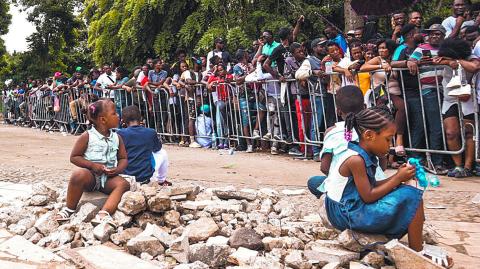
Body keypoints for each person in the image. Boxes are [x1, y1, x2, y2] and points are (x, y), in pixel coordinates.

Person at [323, 106, 426, 251]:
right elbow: (368, 196)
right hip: (346, 213)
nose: (390, 145)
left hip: (349, 208)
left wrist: (399, 180)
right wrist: (396, 178)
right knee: (412, 196)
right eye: (388, 139)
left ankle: (409, 238)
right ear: (369, 135)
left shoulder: (365, 154)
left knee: (405, 189)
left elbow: (371, 185)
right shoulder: (355, 160)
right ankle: (418, 251)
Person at [55, 99, 130, 227]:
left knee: (123, 184)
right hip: (91, 177)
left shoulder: (117, 138)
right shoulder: (87, 136)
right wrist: (92, 166)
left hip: (108, 179)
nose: (118, 116)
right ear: (103, 120)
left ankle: (104, 213)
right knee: (78, 175)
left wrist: (117, 170)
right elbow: (74, 157)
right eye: (114, 113)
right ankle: (69, 209)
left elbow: (123, 159)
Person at [307, 85, 379, 198]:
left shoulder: (332, 132)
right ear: (365, 107)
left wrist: (337, 177)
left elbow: (324, 168)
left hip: (347, 187)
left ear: (338, 111)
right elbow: (381, 164)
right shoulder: (372, 130)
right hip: (373, 181)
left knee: (313, 182)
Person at [434, 38, 480, 177]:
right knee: (451, 132)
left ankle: (467, 166)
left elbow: (474, 67)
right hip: (450, 99)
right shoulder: (442, 57)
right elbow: (431, 61)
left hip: (467, 99)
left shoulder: (470, 58)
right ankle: (458, 166)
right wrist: (447, 61)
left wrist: (457, 61)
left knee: (469, 132)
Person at [408, 24, 449, 175]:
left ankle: (439, 160)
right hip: (429, 90)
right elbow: (411, 60)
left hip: (447, 90)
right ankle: (436, 162)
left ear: (443, 36)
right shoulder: (421, 49)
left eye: (438, 34)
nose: (434, 36)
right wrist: (412, 62)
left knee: (443, 127)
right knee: (435, 126)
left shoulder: (446, 48)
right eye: (431, 33)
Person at [361, 39, 407, 167]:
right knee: (383, 124)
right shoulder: (378, 59)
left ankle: (395, 150)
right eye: (380, 48)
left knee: (395, 118)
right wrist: (381, 66)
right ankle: (384, 157)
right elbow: (363, 67)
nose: (381, 50)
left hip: (395, 92)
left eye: (384, 48)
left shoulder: (395, 59)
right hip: (381, 94)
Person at [117, 105, 171, 186]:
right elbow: (157, 148)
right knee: (162, 152)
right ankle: (161, 180)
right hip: (145, 176)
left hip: (126, 175)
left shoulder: (120, 133)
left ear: (123, 120)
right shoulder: (151, 132)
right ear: (140, 118)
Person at [207, 63, 234, 149]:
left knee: (226, 122)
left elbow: (228, 80)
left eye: (221, 70)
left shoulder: (229, 76)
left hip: (227, 101)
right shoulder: (216, 77)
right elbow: (209, 82)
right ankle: (221, 141)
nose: (220, 72)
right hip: (219, 101)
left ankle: (226, 142)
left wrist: (217, 82)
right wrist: (214, 71)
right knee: (219, 122)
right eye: (218, 70)